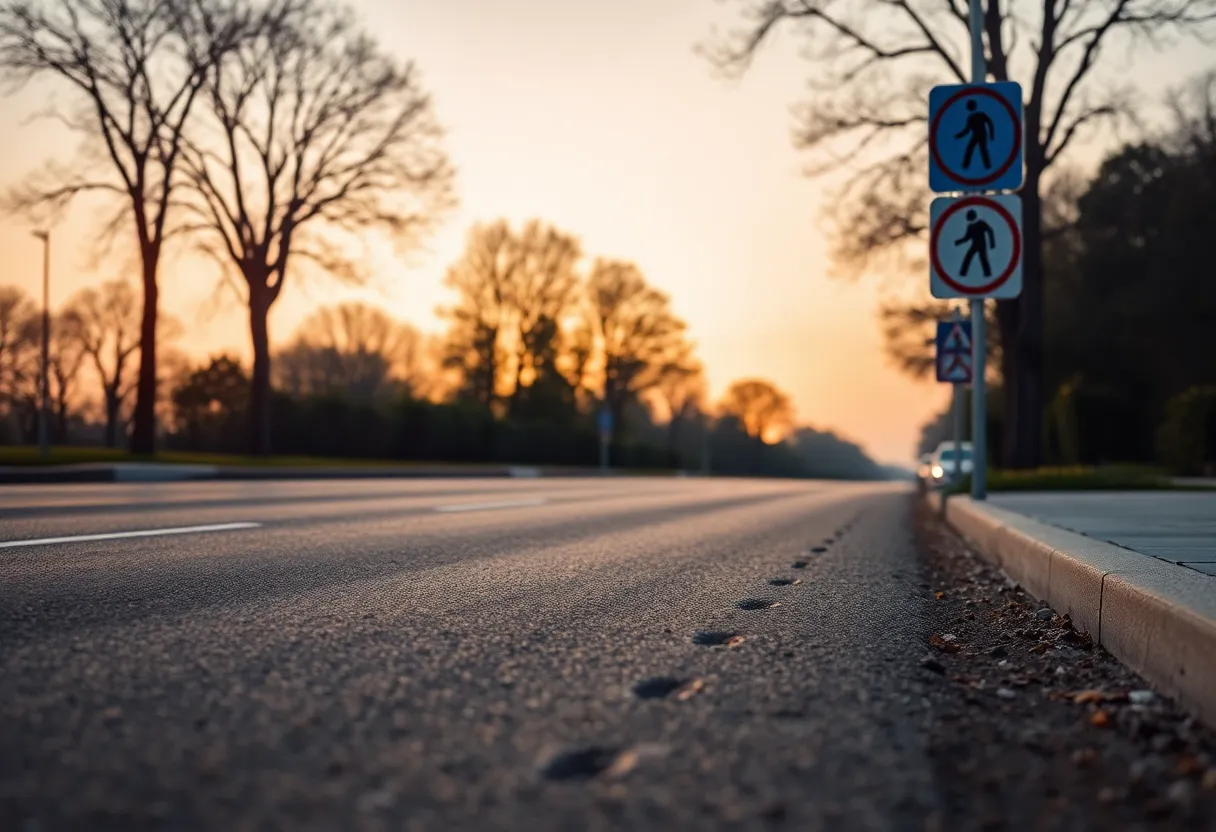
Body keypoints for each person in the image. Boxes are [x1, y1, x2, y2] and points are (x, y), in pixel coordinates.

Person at [954, 99, 994, 170]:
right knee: (970, 149)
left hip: (982, 134)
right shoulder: (970, 118)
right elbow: (967, 130)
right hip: (976, 135)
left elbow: (990, 122)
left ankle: (988, 166)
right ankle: (965, 166)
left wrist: (991, 134)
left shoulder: (981, 114)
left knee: (982, 150)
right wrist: (958, 135)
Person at [954, 209, 994, 278]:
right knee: (968, 258)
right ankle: (962, 274)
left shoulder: (981, 223)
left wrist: (992, 243)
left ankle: (988, 275)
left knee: (983, 259)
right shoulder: (970, 227)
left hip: (981, 245)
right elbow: (966, 238)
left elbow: (990, 231)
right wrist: (958, 242)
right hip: (975, 245)